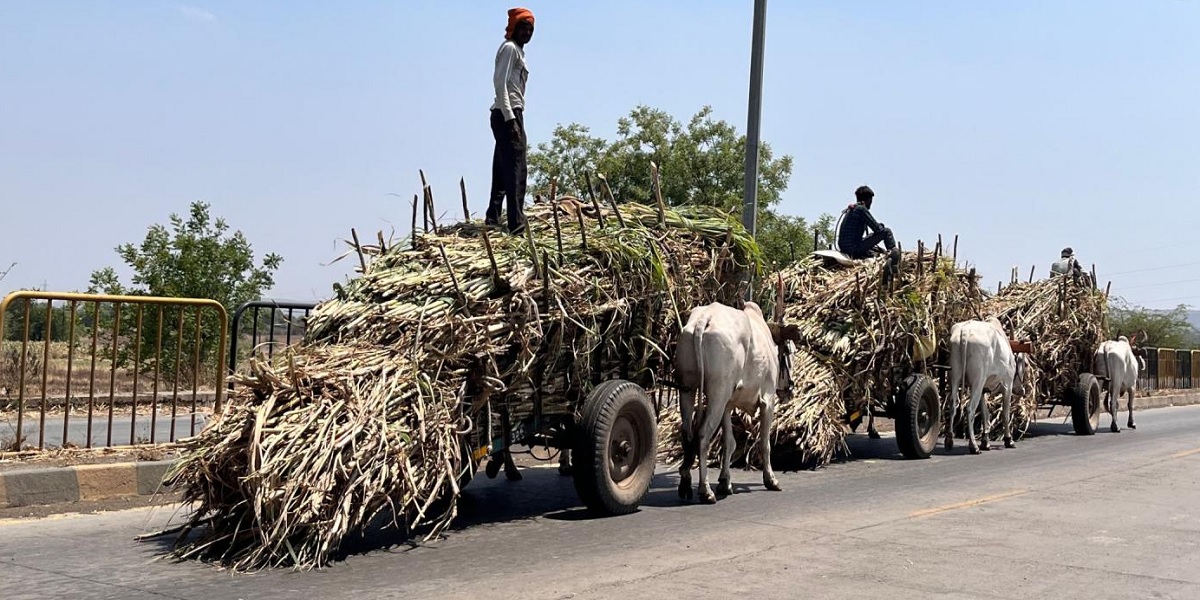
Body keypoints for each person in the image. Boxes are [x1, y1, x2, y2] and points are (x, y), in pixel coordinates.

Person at [485, 7, 535, 235]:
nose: (527, 32)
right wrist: (511, 119)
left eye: (530, 28)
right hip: (508, 113)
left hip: (508, 113)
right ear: (513, 28)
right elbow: (500, 83)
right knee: (517, 169)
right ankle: (516, 224)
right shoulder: (509, 49)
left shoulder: (519, 52)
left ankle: (493, 216)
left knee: (502, 167)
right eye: (523, 27)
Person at [836, 185, 897, 259]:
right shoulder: (861, 209)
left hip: (845, 248)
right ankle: (894, 256)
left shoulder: (853, 209)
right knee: (887, 231)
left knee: (872, 240)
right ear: (868, 199)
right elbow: (878, 229)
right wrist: (881, 226)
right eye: (871, 200)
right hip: (853, 249)